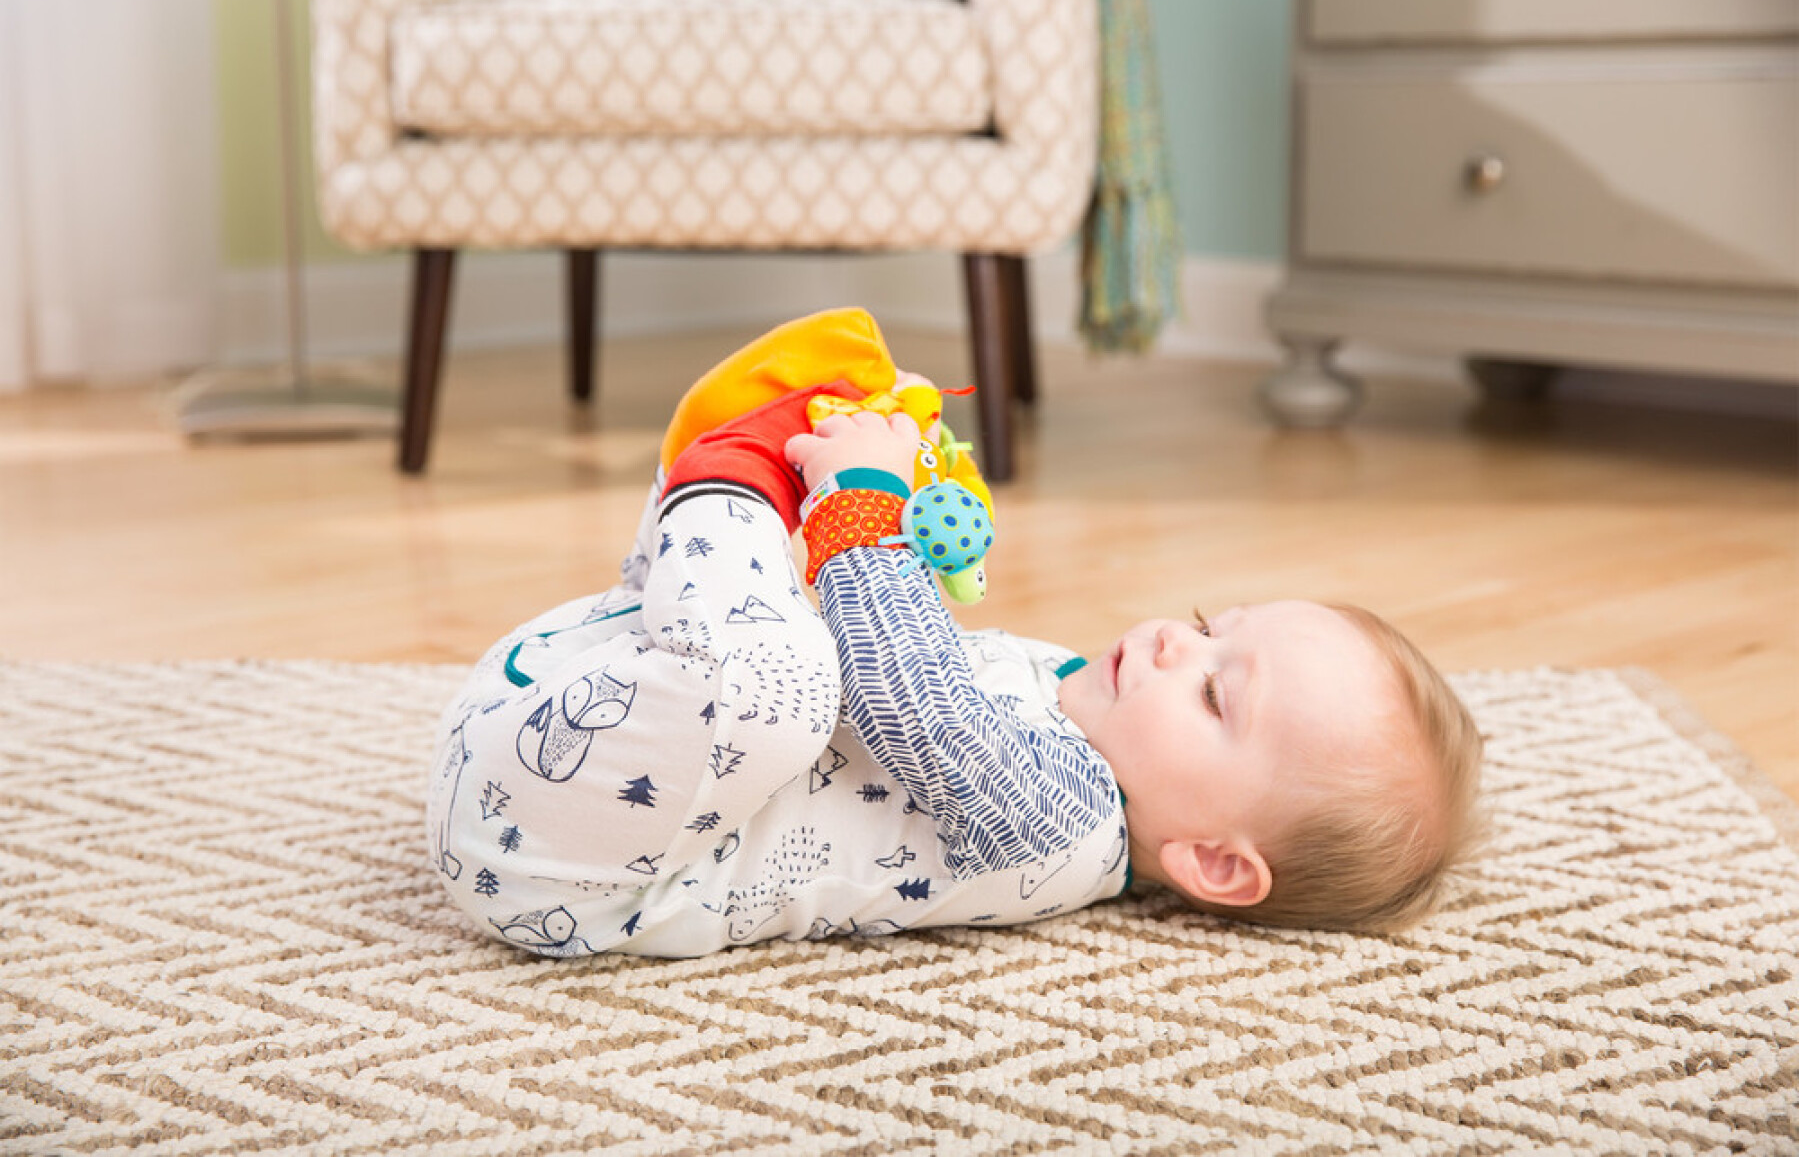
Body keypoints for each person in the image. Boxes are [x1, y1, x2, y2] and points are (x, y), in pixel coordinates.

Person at [425, 317, 1483, 959]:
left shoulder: (1060, 826)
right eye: (1210, 631)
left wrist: (863, 506)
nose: (1173, 644)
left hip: (569, 863)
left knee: (778, 684)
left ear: (1210, 860)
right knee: (790, 641)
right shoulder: (1081, 711)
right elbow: (903, 644)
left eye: (1214, 695)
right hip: (554, 720)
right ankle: (727, 496)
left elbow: (907, 693)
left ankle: (725, 470)